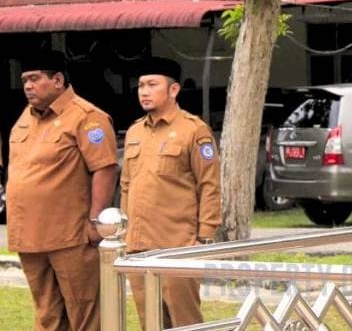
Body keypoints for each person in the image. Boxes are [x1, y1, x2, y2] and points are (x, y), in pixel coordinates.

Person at [5, 50, 118, 330]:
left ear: (57, 80)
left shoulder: (87, 117)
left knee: (84, 312)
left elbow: (104, 168)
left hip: (70, 236)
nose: (28, 86)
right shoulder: (25, 118)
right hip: (29, 236)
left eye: (35, 79)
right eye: (25, 80)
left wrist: (96, 221)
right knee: (47, 314)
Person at [120, 57, 221, 328]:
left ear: (173, 89)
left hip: (178, 244)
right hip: (138, 245)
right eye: (141, 85)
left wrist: (204, 237)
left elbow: (209, 185)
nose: (144, 91)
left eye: (152, 85)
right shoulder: (134, 131)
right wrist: (125, 234)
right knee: (150, 321)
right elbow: (127, 185)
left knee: (184, 320)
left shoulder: (194, 130)